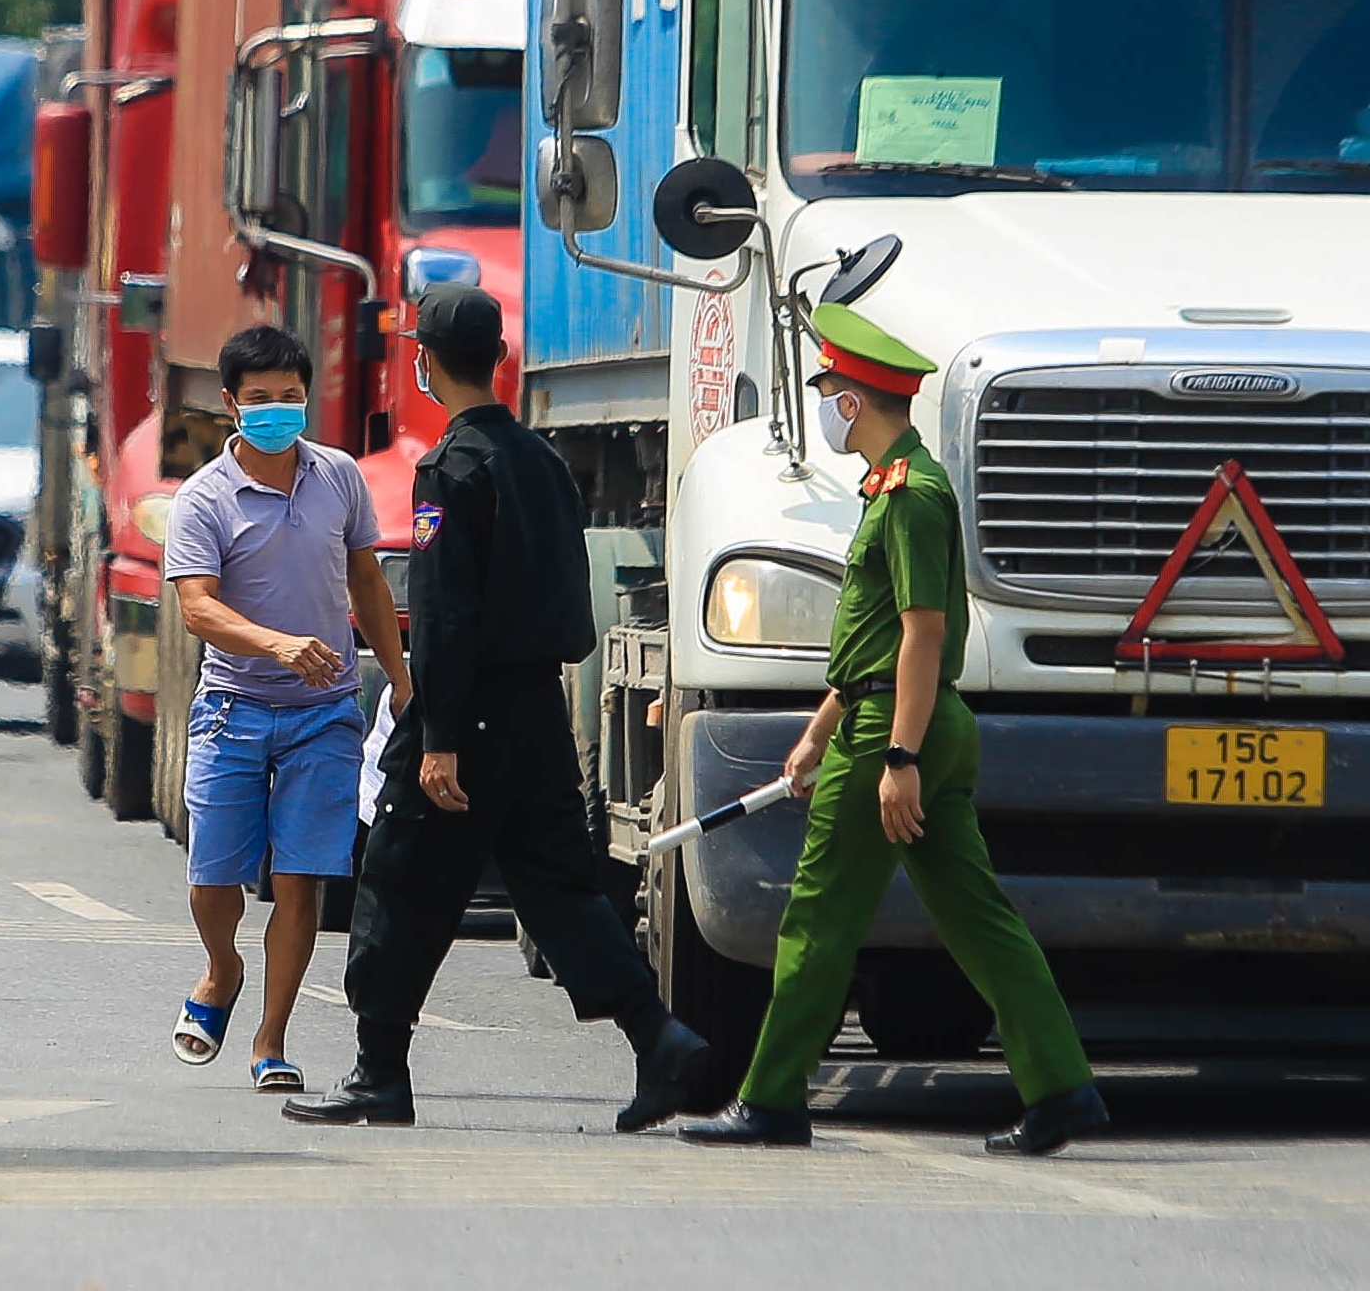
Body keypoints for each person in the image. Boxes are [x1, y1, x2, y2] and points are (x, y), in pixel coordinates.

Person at [675, 300, 1104, 1156]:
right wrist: (819, 727)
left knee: (820, 915)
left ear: (854, 402)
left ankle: (770, 1097)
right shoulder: (897, 489)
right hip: (892, 717)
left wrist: (896, 754)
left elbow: (923, 634)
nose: (828, 402)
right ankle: (1062, 1088)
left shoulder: (909, 498)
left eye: (831, 388)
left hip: (897, 727)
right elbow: (874, 640)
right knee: (980, 920)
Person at [286, 280, 708, 1133]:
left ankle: (379, 1072)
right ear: (500, 359)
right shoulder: (544, 462)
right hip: (538, 713)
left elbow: (443, 613)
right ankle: (660, 1039)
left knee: (401, 880)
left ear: (427, 363)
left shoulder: (449, 468)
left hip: (467, 717)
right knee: (560, 889)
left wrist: (435, 737)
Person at [158, 323, 399, 1095]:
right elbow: (198, 608)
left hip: (325, 713)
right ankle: (222, 968)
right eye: (259, 400)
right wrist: (277, 644)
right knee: (213, 879)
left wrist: (401, 673)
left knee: (302, 879)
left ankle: (271, 1038)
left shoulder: (339, 478)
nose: (277, 411)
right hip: (233, 707)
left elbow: (366, 580)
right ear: (231, 405)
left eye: (290, 398)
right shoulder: (202, 499)